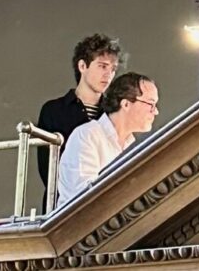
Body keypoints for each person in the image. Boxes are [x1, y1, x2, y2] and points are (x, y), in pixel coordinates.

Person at [56, 72, 158, 207]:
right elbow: (81, 198)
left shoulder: (133, 147)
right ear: (126, 104)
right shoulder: (87, 135)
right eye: (151, 104)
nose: (155, 111)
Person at [36, 34, 121, 189]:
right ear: (82, 66)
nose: (108, 75)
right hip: (62, 204)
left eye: (113, 69)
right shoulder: (53, 110)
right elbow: (47, 169)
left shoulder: (113, 113)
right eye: (102, 66)